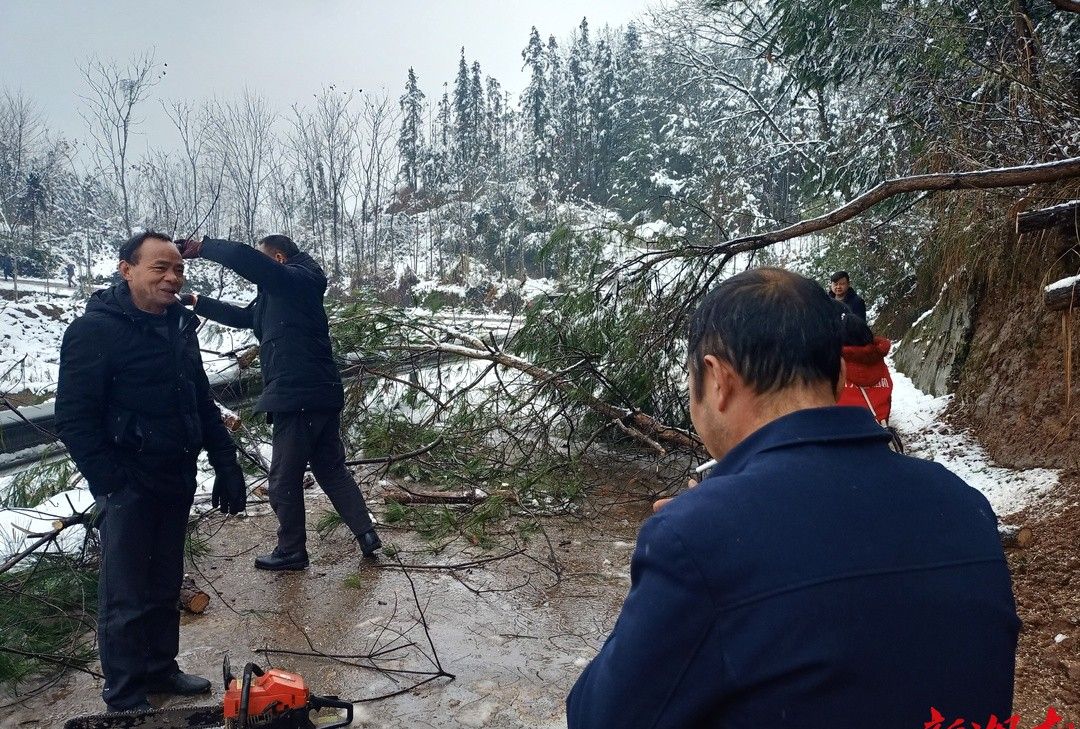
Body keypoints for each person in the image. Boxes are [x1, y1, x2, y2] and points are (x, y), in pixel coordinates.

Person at [566, 267, 1019, 728]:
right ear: (841, 375)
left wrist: (686, 544)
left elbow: (600, 719)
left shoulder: (696, 538)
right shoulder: (964, 505)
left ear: (716, 379)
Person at [55, 231, 247, 713]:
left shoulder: (179, 325)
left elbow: (200, 399)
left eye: (178, 268)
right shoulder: (94, 331)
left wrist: (226, 465)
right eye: (159, 267)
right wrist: (111, 484)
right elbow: (74, 418)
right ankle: (123, 691)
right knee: (125, 591)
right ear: (127, 270)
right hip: (128, 480)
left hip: (176, 474)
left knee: (164, 580)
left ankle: (161, 669)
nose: (171, 277)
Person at [174, 234, 381, 569]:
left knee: (283, 479)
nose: (263, 269)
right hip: (318, 393)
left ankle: (291, 551)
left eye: (266, 261)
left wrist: (205, 248)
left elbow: (249, 261)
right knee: (330, 469)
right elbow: (244, 318)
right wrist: (197, 301)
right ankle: (367, 534)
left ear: (279, 259)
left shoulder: (299, 280)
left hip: (298, 395)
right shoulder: (279, 295)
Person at [836, 303, 893, 425]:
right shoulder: (878, 359)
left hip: (847, 430)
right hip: (879, 428)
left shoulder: (835, 366)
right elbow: (887, 398)